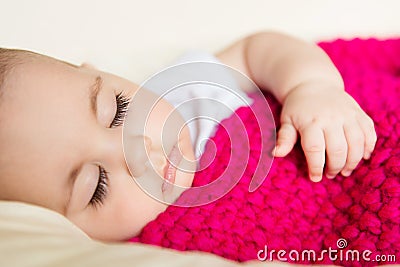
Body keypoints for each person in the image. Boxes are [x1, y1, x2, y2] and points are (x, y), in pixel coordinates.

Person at [0, 31, 376, 242]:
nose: (137, 152)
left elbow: (257, 50)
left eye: (118, 110)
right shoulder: (154, 249)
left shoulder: (187, 94)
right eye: (96, 184)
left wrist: (311, 87)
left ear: (99, 73)